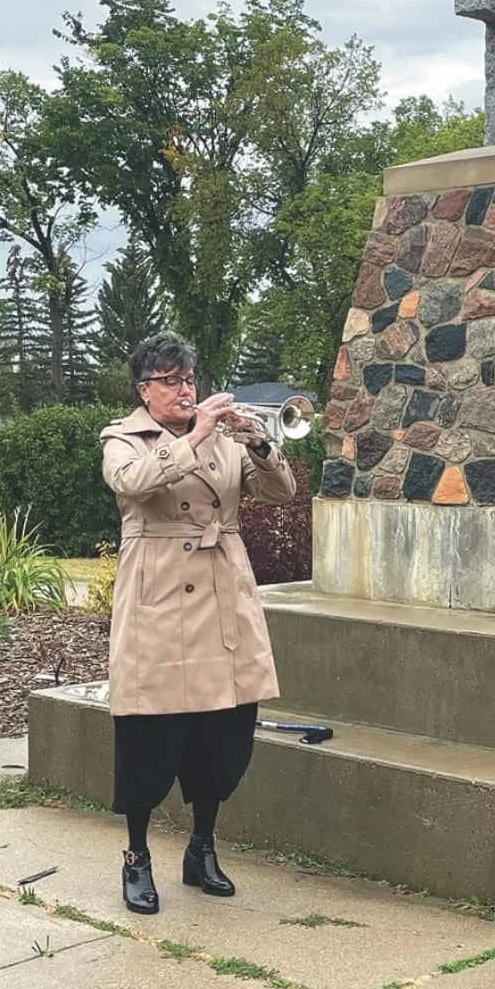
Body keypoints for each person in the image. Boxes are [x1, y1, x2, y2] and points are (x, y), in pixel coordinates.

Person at [101, 331, 297, 915]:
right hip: (158, 601)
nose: (184, 390)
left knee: (222, 735)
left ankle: (201, 849)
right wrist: (196, 436)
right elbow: (134, 483)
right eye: (171, 381)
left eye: (189, 379)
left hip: (220, 595)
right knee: (149, 739)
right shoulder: (122, 438)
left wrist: (259, 442)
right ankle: (136, 857)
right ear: (145, 390)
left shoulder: (225, 441)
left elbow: (282, 493)